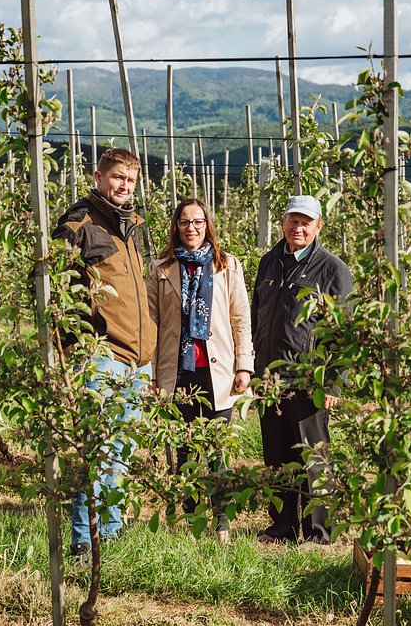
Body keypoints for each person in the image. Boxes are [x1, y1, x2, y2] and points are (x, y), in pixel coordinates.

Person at [52, 148, 157, 560]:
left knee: (121, 450)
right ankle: (84, 538)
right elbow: (54, 292)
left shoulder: (129, 226)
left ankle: (111, 531)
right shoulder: (79, 225)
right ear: (98, 177)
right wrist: (72, 349)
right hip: (101, 355)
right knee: (95, 451)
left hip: (136, 359)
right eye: (117, 178)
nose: (124, 186)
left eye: (130, 181)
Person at [146, 198, 253, 544]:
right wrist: (150, 375)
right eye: (184, 222)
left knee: (218, 449)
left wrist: (244, 365)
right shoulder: (160, 269)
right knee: (185, 451)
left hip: (216, 372)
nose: (191, 228)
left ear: (207, 225)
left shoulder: (227, 266)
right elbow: (151, 323)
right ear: (175, 227)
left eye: (197, 222)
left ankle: (222, 523)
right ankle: (192, 521)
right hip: (178, 372)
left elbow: (240, 319)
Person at [251, 194, 353, 545]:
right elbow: (257, 316)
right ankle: (282, 527)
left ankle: (318, 532)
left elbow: (341, 331)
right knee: (277, 456)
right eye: (292, 220)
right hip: (270, 378)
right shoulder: (269, 262)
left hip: (309, 380)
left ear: (318, 226)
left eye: (305, 222)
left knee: (313, 456)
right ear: (283, 222)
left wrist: (332, 383)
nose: (297, 228)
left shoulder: (332, 269)